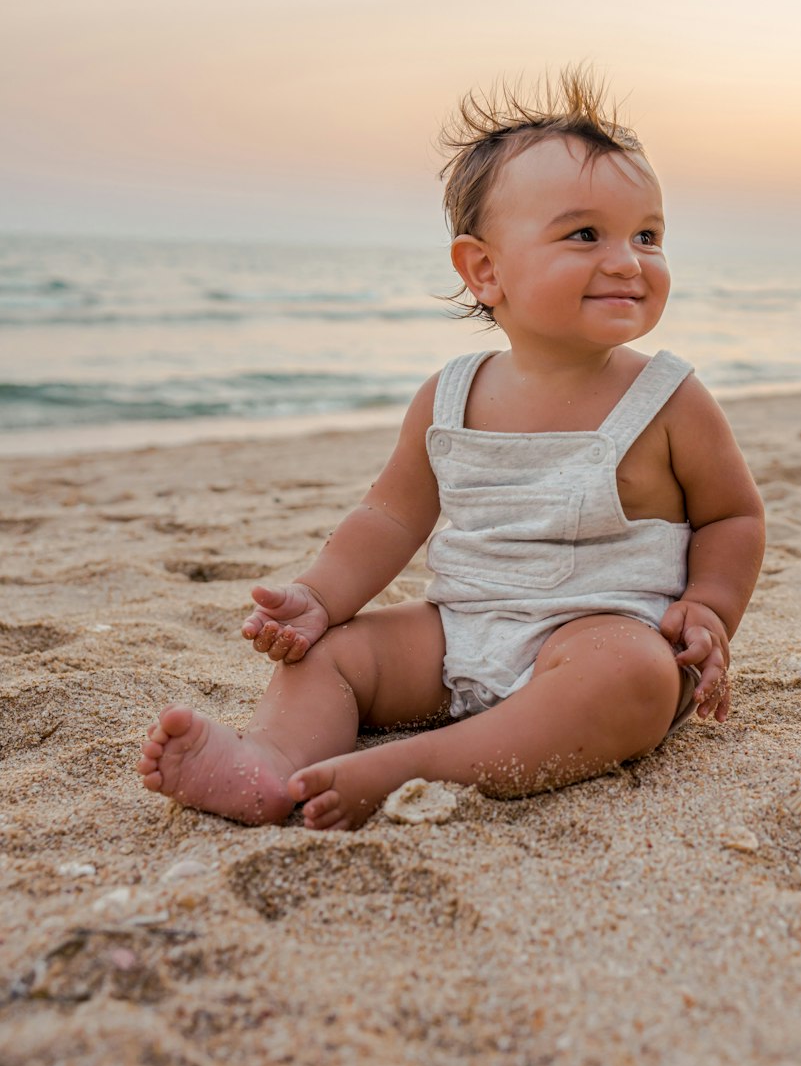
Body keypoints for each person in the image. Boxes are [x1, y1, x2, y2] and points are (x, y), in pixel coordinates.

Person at [137, 68, 765, 831]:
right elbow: (390, 516)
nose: (629, 260)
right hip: (457, 631)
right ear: (484, 268)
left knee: (634, 676)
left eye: (648, 235)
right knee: (333, 655)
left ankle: (414, 765)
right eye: (585, 234)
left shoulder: (668, 398)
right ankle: (269, 760)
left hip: (600, 633)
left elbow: (733, 515)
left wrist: (710, 607)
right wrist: (321, 597)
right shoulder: (452, 393)